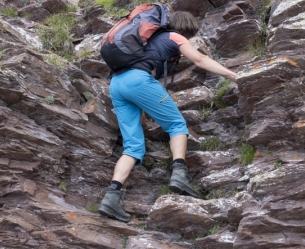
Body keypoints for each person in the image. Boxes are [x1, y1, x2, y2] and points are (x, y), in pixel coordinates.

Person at [98, 10, 237, 223]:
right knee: (176, 125)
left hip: (116, 84)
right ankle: (179, 174)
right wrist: (232, 75)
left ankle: (111, 197)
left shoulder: (146, 41)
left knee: (133, 146)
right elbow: (199, 59)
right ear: (185, 29)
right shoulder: (174, 36)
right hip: (138, 81)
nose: (188, 39)